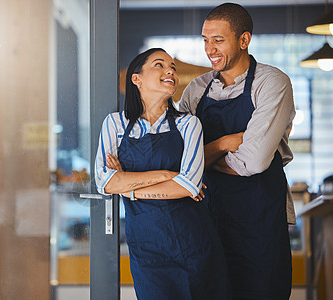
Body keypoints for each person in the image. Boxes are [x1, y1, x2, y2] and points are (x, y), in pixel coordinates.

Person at [180, 3, 296, 299]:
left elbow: (254, 162)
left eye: (218, 40)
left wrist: (203, 158)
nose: (210, 49)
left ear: (244, 40)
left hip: (259, 224)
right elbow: (179, 160)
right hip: (207, 220)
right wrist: (223, 143)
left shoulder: (272, 83)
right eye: (205, 39)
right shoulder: (195, 90)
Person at [95, 48, 230, 299]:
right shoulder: (114, 124)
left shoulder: (188, 124)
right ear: (137, 79)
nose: (170, 70)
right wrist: (167, 175)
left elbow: (188, 186)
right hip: (146, 250)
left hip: (194, 244)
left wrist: (130, 189)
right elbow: (104, 182)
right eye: (160, 65)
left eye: (173, 67)